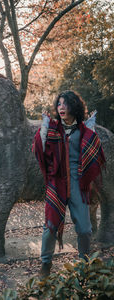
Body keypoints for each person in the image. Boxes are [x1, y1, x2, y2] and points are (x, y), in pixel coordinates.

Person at [32, 90, 106, 277]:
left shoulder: (83, 130)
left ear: (74, 106)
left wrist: (91, 132)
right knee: (50, 225)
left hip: (77, 184)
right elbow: (38, 149)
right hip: (56, 183)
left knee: (85, 228)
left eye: (66, 103)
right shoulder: (52, 128)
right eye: (59, 104)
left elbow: (94, 152)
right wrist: (43, 129)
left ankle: (84, 263)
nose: (61, 107)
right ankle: (46, 264)